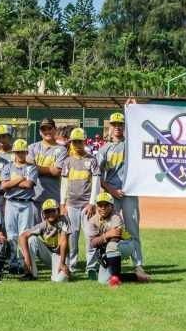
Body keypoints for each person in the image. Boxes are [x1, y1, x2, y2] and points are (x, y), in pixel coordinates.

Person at [97, 112, 150, 281]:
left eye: (121, 124)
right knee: (108, 229)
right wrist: (111, 191)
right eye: (114, 124)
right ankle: (105, 263)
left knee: (133, 229)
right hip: (112, 195)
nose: (117, 127)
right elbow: (99, 176)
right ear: (110, 127)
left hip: (129, 193)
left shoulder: (132, 146)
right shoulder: (104, 149)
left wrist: (135, 108)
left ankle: (138, 265)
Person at [60, 128, 101, 279]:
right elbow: (64, 184)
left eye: (80, 141)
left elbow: (96, 182)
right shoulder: (67, 161)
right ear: (71, 142)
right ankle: (73, 265)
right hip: (71, 205)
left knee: (90, 236)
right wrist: (62, 204)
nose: (77, 144)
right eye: (74, 141)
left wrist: (92, 203)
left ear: (84, 142)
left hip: (86, 206)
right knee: (72, 236)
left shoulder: (92, 160)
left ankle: (91, 267)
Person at [0, 139, 38, 273]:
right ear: (14, 152)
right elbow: (3, 186)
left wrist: (12, 183)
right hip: (10, 202)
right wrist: (21, 179)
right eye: (18, 152)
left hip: (26, 203)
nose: (20, 154)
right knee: (11, 234)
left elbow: (29, 185)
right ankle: (12, 262)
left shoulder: (31, 167)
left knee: (24, 233)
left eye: (23, 152)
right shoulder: (8, 166)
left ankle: (23, 262)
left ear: (26, 152)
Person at [86, 192, 137, 288]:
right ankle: (135, 276)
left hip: (126, 245)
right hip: (109, 249)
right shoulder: (93, 220)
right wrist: (106, 235)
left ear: (112, 206)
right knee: (103, 280)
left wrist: (102, 241)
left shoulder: (116, 216)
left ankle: (115, 280)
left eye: (106, 205)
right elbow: (92, 243)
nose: (103, 208)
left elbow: (116, 237)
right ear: (97, 207)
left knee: (111, 246)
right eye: (100, 205)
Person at [19, 198, 70, 283]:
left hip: (61, 256)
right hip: (48, 255)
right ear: (43, 214)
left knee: (61, 280)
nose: (50, 214)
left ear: (58, 210)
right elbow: (22, 236)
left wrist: (62, 263)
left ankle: (64, 270)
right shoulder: (42, 225)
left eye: (53, 210)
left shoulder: (64, 220)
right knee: (32, 239)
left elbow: (64, 241)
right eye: (47, 211)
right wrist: (27, 259)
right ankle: (31, 273)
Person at [28, 118, 67, 222]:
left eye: (49, 128)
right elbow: (28, 170)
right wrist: (49, 169)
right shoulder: (32, 147)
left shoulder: (62, 149)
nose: (47, 131)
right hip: (35, 197)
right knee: (36, 231)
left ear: (55, 129)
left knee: (53, 232)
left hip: (53, 197)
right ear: (40, 132)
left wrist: (35, 168)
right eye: (43, 129)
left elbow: (57, 171)